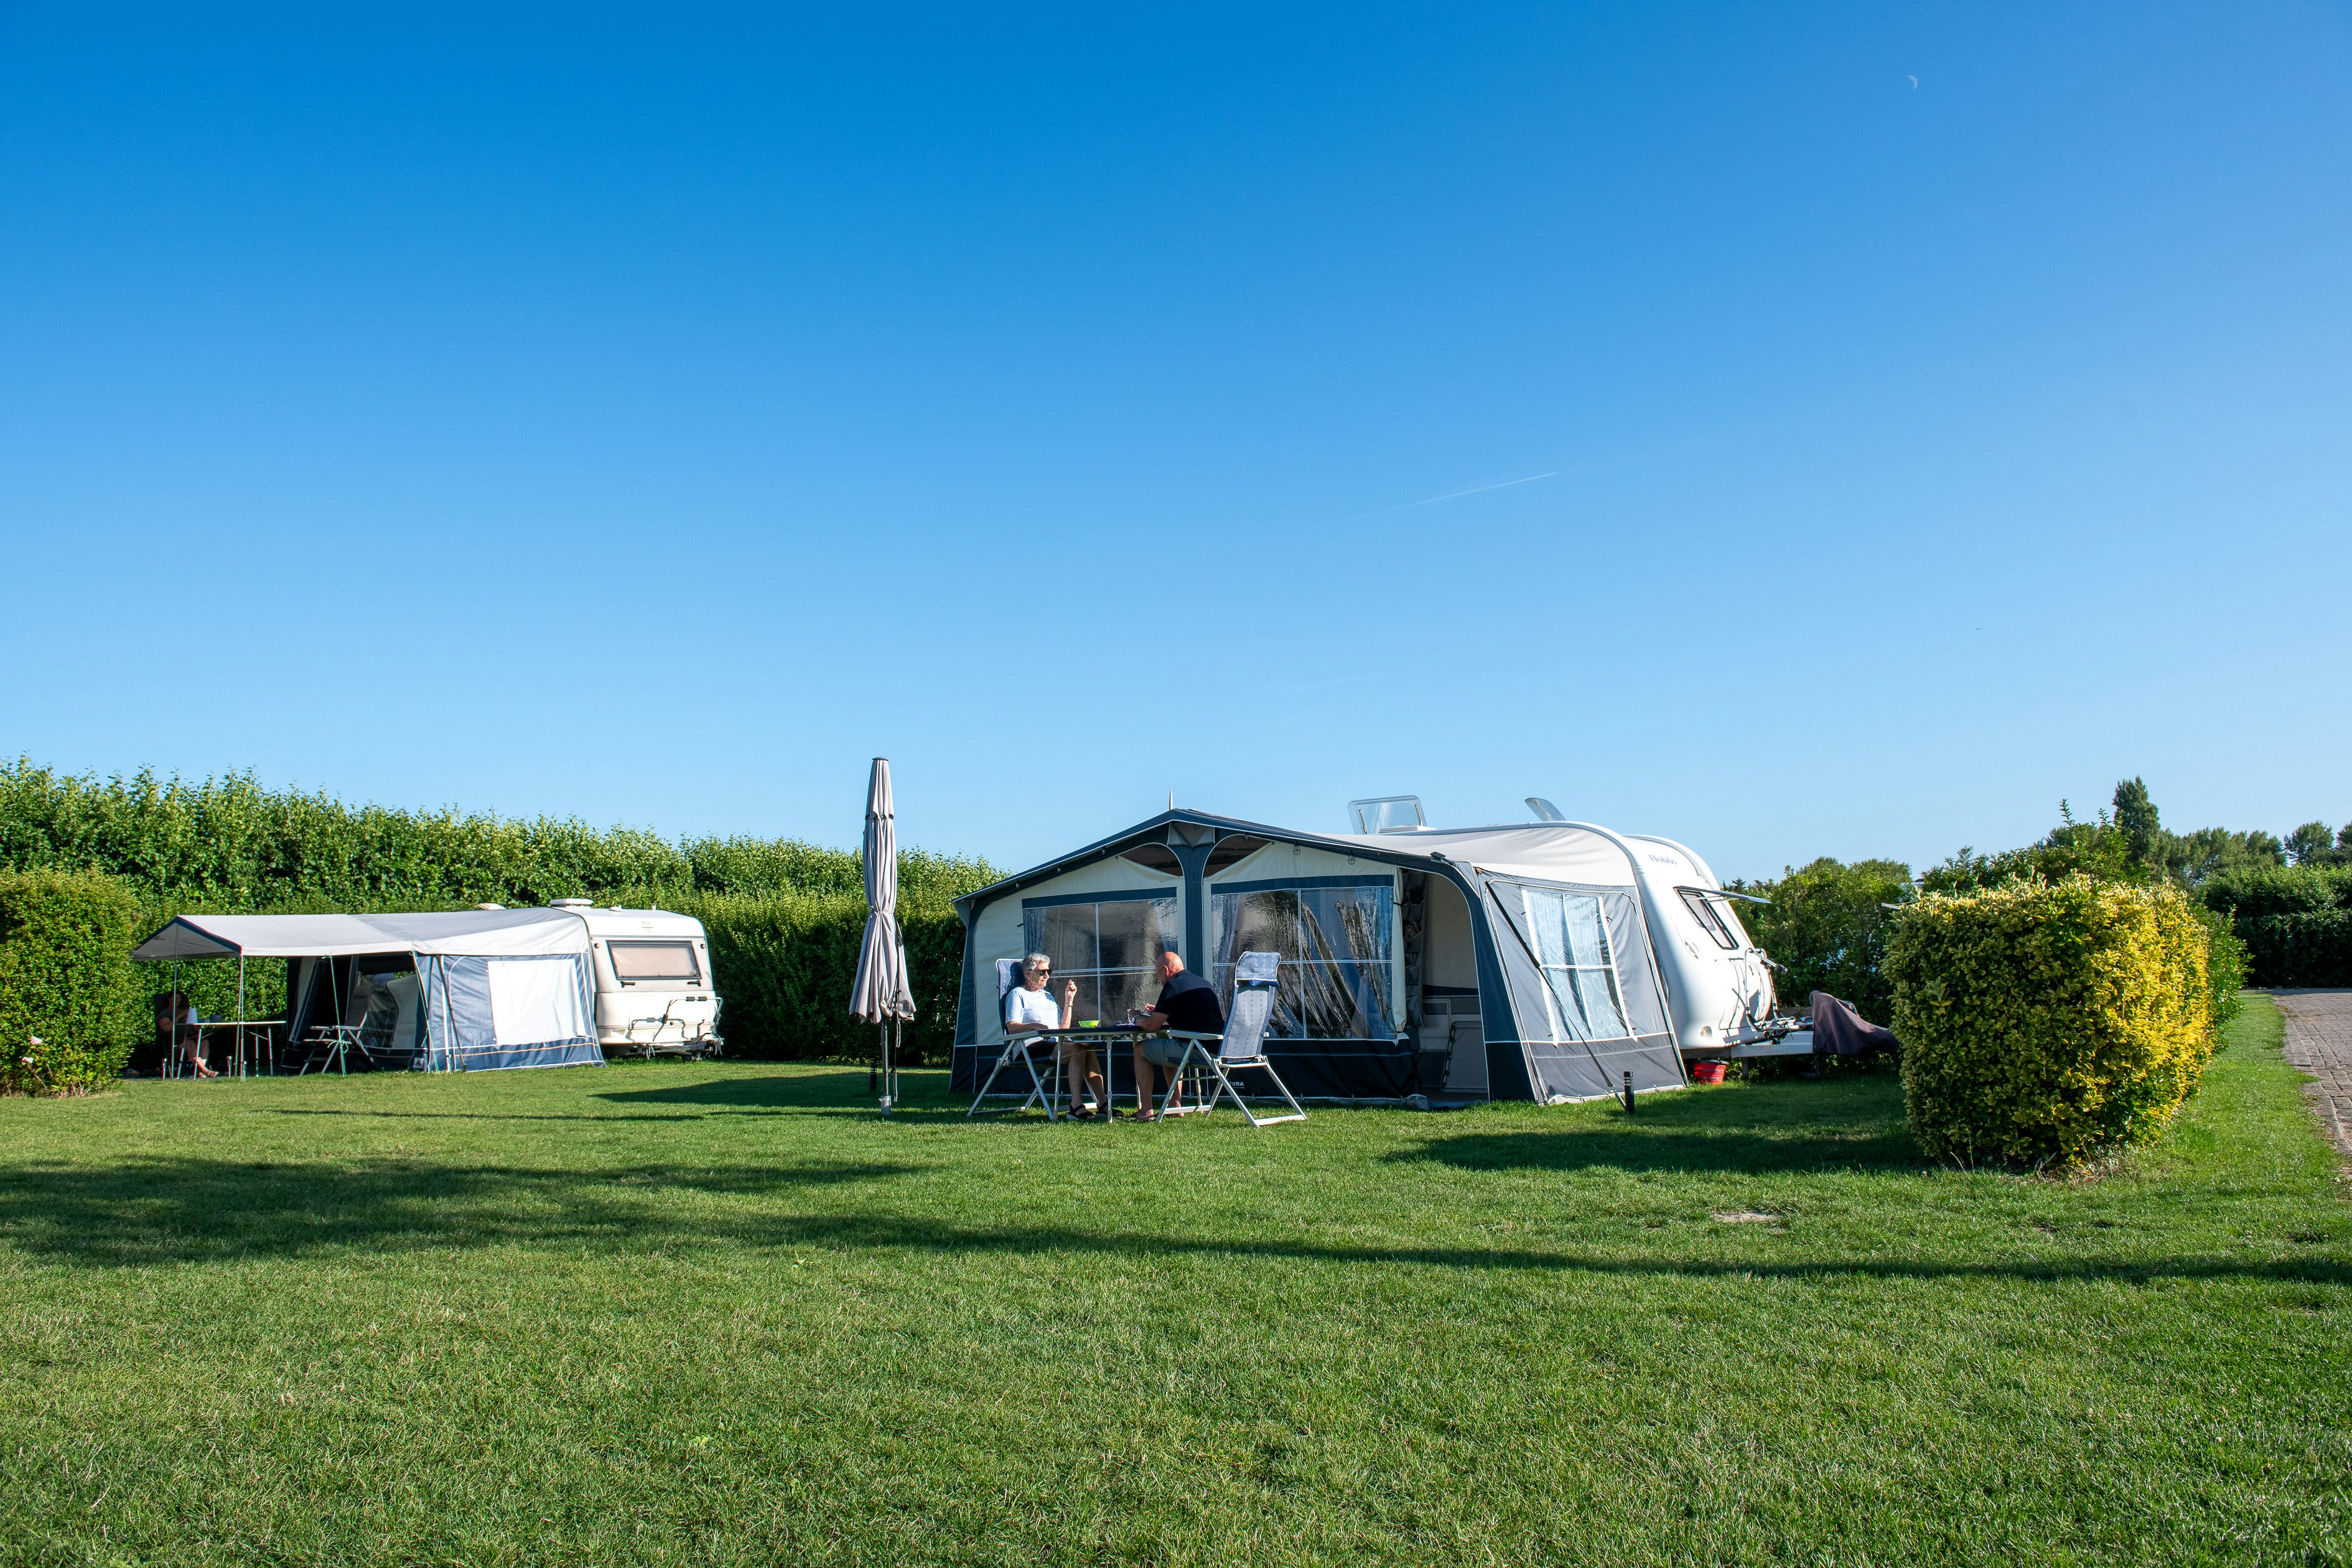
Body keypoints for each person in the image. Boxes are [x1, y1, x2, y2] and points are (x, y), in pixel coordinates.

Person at [1129, 950, 1223, 1121]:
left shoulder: (1172, 986)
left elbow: (1152, 1025)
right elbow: (1193, 1014)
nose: (1158, 980)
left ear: (1165, 971)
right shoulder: (1203, 983)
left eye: (1157, 974)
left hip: (1196, 1050)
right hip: (1219, 1049)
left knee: (1140, 1049)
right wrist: (1161, 1010)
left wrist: (1136, 1017)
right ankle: (1175, 1105)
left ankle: (1146, 1110)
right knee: (1166, 1046)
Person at [1004, 953, 1100, 1118]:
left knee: (1087, 1047)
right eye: (1042, 972)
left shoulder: (1047, 996)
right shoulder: (1017, 994)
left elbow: (1063, 1028)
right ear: (1028, 973)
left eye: (1049, 971)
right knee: (1077, 1048)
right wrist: (1035, 1027)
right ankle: (1076, 1105)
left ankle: (1103, 1104)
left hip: (1054, 1044)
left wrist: (1068, 1001)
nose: (1047, 976)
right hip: (1030, 1047)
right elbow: (1011, 1028)